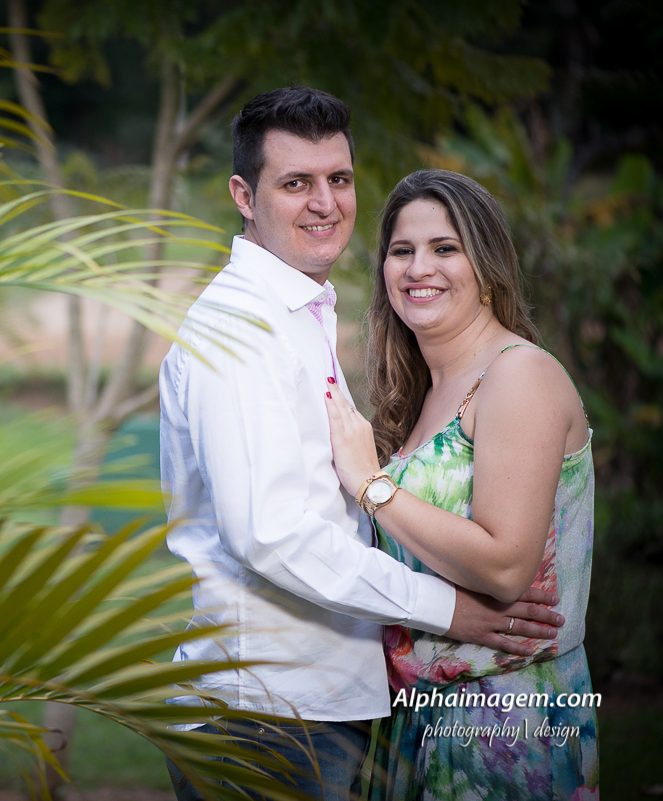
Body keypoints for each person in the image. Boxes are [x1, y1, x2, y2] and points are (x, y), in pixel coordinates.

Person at [159, 88, 565, 801]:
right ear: (243, 195)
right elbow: (272, 535)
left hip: (313, 710)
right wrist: (449, 609)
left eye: (337, 179)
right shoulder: (244, 332)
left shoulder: (298, 315)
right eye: (295, 183)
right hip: (267, 715)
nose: (324, 202)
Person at [322, 169, 599, 799]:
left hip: (507, 726)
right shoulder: (425, 395)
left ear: (487, 267)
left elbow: (506, 566)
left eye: (445, 248)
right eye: (402, 250)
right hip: (420, 723)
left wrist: (372, 486)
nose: (420, 267)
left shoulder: (518, 375)